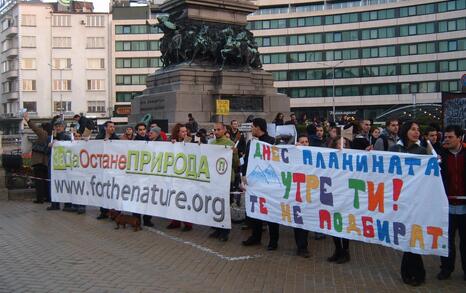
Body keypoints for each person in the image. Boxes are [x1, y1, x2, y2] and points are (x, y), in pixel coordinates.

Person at [389, 121, 429, 286]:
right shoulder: (394, 150)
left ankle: (414, 272)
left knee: (413, 235)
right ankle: (412, 272)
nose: (416, 132)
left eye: (418, 130)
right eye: (413, 129)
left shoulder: (422, 151)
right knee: (407, 235)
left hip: (416, 200)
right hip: (399, 200)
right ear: (406, 132)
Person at [241, 118, 279, 250]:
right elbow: (246, 161)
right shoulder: (251, 143)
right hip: (254, 182)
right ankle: (255, 237)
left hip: (269, 182)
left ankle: (274, 240)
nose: (251, 129)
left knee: (271, 211)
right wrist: (243, 175)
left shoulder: (272, 142)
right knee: (255, 210)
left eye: (252, 127)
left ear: (258, 128)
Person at [437, 125, 465, 281]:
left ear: (459, 138)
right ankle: (446, 268)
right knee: (446, 241)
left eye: (450, 137)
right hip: (446, 206)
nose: (446, 140)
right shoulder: (440, 157)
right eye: (445, 137)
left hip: (464, 207)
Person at [208, 122, 239, 241]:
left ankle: (225, 231)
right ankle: (217, 228)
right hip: (214, 179)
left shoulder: (230, 144)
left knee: (224, 206)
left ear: (224, 130)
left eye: (218, 129)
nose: (216, 132)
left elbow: (236, 164)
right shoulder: (211, 143)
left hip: (226, 180)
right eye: (214, 130)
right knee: (215, 204)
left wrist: (235, 154)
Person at [326, 136, 351, 264]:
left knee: (344, 225)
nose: (343, 146)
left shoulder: (353, 158)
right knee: (334, 225)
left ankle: (345, 252)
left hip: (346, 196)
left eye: (345, 144)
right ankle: (337, 250)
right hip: (333, 195)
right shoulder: (328, 157)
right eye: (340, 144)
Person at [166, 123, 193, 231]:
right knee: (174, 198)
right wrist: (172, 145)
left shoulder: (190, 141)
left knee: (184, 198)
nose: (184, 133)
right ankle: (175, 221)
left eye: (185, 131)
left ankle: (188, 223)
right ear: (177, 133)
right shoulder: (172, 142)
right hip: (174, 175)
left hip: (185, 175)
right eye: (182, 131)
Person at [24, 112, 52, 204]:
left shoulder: (43, 134)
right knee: (46, 181)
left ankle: (40, 199)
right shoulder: (51, 137)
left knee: (39, 181)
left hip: (38, 162)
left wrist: (28, 120)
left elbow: (35, 129)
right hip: (46, 162)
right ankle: (48, 197)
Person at [95, 121, 119, 219]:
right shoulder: (99, 137)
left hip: (113, 169)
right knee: (103, 190)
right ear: (105, 128)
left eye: (113, 127)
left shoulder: (116, 139)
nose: (112, 128)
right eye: (110, 127)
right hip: (102, 168)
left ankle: (115, 213)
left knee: (113, 191)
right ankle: (103, 212)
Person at [47, 118, 71, 211]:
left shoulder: (67, 137)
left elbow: (70, 148)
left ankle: (67, 204)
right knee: (53, 184)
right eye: (56, 126)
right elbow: (47, 151)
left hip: (63, 164)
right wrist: (49, 146)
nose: (58, 128)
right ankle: (55, 203)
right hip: (53, 164)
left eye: (60, 126)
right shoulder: (52, 137)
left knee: (65, 184)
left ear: (64, 127)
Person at [294, 134, 311, 257]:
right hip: (297, 193)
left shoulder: (314, 154)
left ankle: (303, 244)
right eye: (302, 142)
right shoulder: (294, 154)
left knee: (306, 220)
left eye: (306, 142)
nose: (305, 144)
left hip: (310, 193)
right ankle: (301, 247)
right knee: (299, 220)